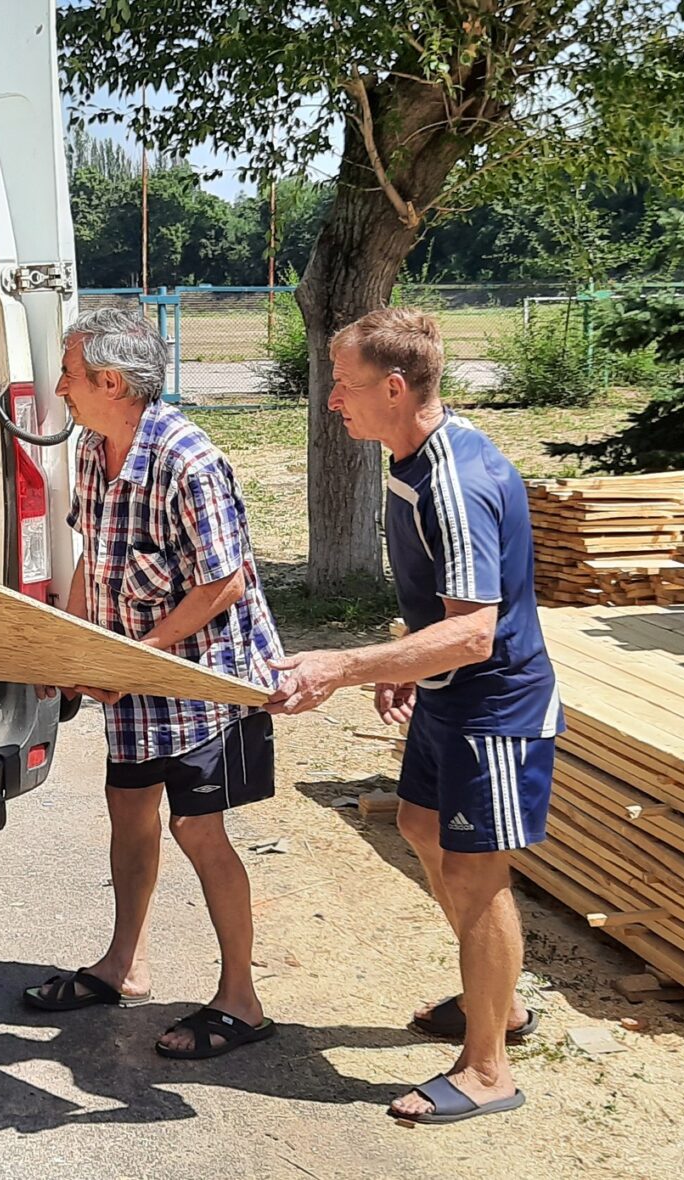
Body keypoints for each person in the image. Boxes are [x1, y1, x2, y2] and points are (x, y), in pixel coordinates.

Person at [266, 307, 560, 1126]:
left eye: (344, 383)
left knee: (476, 871)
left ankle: (490, 1066)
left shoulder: (455, 482)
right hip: (450, 697)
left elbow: (474, 631)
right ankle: (494, 1003)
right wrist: (406, 653)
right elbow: (444, 609)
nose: (331, 400)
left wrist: (345, 666)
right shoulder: (413, 457)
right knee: (425, 831)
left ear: (394, 389)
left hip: (492, 710)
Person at [19, 307, 285, 1060]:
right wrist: (71, 653)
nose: (62, 389)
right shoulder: (93, 449)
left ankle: (242, 1000)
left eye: (70, 374)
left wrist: (132, 657)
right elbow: (90, 559)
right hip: (134, 673)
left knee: (198, 830)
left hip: (207, 683)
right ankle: (123, 964)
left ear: (110, 380)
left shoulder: (188, 461)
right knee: (128, 811)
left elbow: (223, 585)